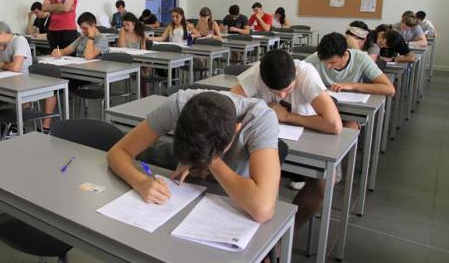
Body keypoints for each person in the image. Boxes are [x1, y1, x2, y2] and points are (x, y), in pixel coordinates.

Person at [107, 89, 281, 223]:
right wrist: (141, 182)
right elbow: (118, 152)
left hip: (236, 204)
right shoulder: (178, 105)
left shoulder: (260, 118)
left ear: (236, 130)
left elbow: (262, 209)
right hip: (182, 198)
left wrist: (210, 160)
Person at [230, 50, 342, 230]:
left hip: (308, 139)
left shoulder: (306, 74)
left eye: (288, 90)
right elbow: (229, 103)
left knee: (325, 184)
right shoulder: (258, 71)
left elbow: (334, 124)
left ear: (295, 75)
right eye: (275, 92)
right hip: (270, 141)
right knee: (242, 172)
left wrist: (287, 116)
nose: (282, 96)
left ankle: (283, 239)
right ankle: (249, 232)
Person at [306, 33, 395, 97]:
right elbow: (294, 75)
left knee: (348, 124)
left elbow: (390, 90)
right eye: (325, 62)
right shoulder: (316, 57)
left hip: (351, 108)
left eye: (332, 62)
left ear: (344, 54)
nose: (328, 66)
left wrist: (353, 86)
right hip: (324, 105)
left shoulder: (361, 58)